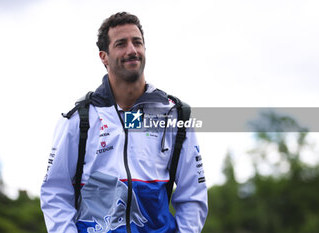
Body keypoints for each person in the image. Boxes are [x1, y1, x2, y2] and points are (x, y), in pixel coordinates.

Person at [40, 12, 208, 233]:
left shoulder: (175, 116)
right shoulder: (78, 119)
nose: (132, 50)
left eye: (137, 42)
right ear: (104, 56)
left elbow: (192, 195)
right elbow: (55, 193)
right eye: (121, 44)